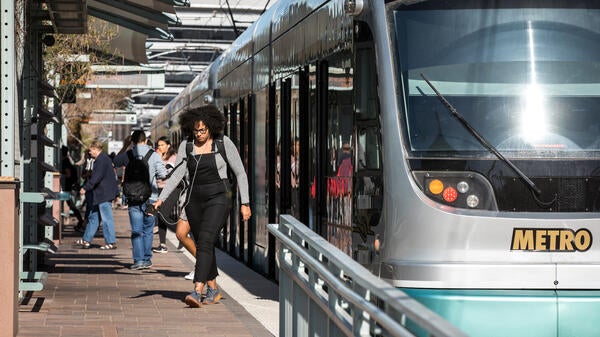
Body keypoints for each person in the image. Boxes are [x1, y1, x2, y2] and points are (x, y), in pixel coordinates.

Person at [153, 106, 251, 307]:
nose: (199, 134)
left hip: (220, 197)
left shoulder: (224, 143)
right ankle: (213, 289)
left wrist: (245, 203)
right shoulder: (186, 146)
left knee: (206, 240)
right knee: (204, 243)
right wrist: (161, 198)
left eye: (203, 131)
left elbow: (240, 173)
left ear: (211, 128)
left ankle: (197, 289)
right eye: (196, 131)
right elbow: (178, 174)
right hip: (194, 200)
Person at [113, 130, 167, 270]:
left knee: (136, 230)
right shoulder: (153, 155)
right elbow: (162, 175)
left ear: (132, 141)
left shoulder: (128, 154)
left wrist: (125, 146)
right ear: (145, 140)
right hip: (151, 199)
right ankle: (147, 259)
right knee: (148, 230)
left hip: (133, 198)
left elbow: (115, 161)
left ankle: (138, 261)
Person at [75, 141, 119, 249]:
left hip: (103, 193)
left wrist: (85, 187)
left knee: (106, 218)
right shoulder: (103, 159)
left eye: (90, 150)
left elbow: (96, 177)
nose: (89, 152)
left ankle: (110, 242)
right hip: (101, 193)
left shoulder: (101, 160)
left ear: (95, 149)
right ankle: (86, 240)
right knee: (94, 216)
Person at [153, 136, 177, 253]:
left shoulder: (173, 157)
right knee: (160, 215)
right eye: (158, 145)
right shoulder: (156, 156)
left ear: (168, 145)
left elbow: (168, 173)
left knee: (163, 213)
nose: (160, 147)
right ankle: (162, 244)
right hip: (159, 188)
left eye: (162, 145)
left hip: (171, 189)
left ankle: (181, 231)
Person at [60, 146, 84, 229]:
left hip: (69, 187)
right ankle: (81, 221)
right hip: (70, 187)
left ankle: (81, 221)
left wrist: (60, 175)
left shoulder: (65, 162)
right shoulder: (67, 161)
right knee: (71, 205)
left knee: (71, 205)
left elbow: (68, 174)